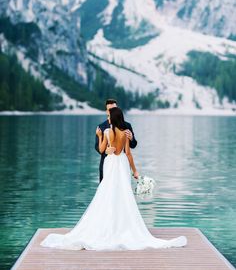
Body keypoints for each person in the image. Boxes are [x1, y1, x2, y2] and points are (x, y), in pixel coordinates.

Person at [40, 107, 187, 251]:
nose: (108, 118)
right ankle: (122, 226)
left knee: (107, 192)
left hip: (110, 163)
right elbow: (128, 153)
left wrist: (99, 137)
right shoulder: (124, 134)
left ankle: (107, 225)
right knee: (123, 193)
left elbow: (103, 150)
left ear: (113, 118)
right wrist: (135, 170)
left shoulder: (106, 132)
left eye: (109, 116)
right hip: (121, 162)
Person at [95, 99, 137, 183]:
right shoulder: (101, 126)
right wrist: (106, 151)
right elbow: (97, 147)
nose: (113, 111)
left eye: (114, 109)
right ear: (107, 111)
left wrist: (131, 138)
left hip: (122, 165)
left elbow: (133, 145)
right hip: (106, 165)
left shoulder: (127, 126)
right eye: (110, 110)